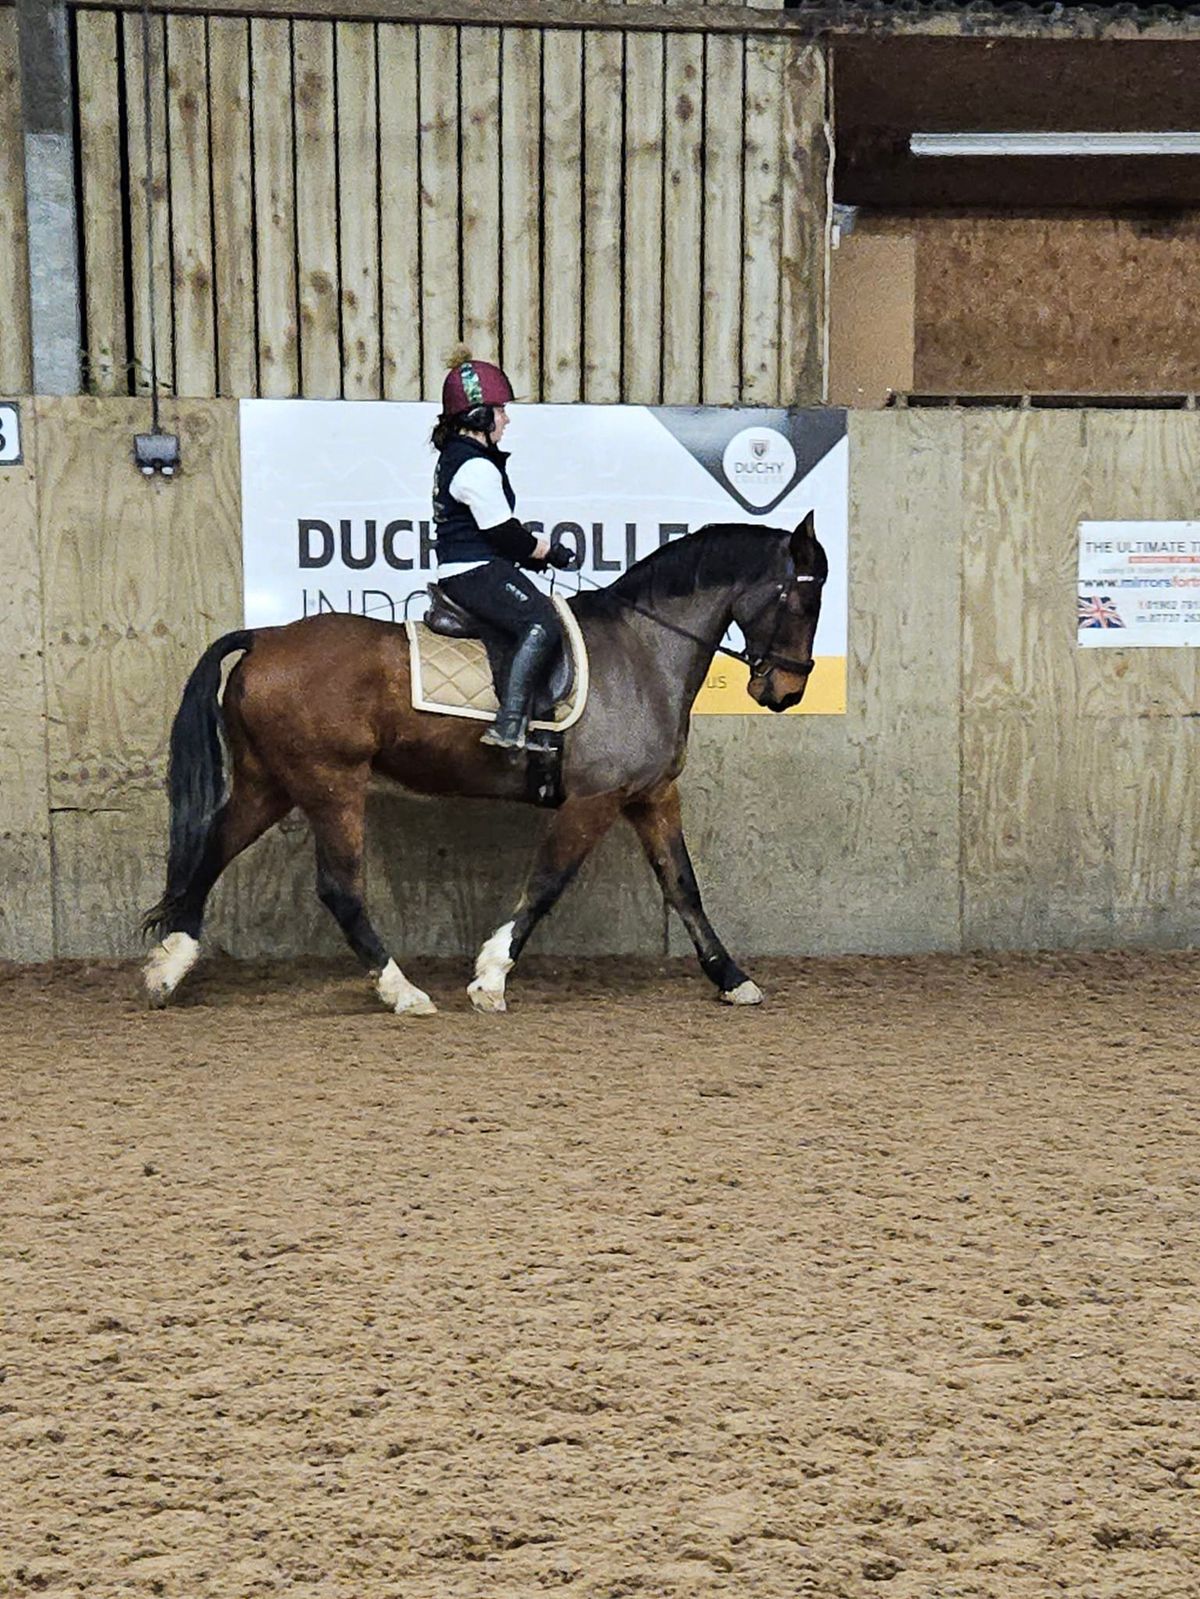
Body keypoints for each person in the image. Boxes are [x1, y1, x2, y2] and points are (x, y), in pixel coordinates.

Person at [431, 354, 572, 752]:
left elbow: (496, 533)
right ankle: (510, 724)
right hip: (472, 571)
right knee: (542, 621)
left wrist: (533, 557)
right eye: (501, 411)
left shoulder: (462, 459)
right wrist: (546, 551)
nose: (506, 419)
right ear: (479, 416)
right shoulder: (474, 466)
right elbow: (503, 532)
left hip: (473, 565)